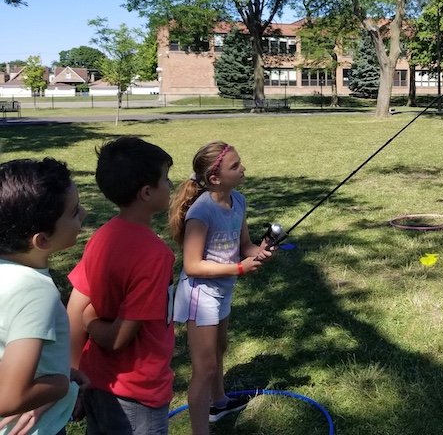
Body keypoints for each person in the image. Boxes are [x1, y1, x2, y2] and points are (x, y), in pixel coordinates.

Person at [66, 137, 175, 435]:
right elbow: (116, 338)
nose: (170, 185)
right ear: (146, 192)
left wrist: (73, 376)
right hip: (136, 394)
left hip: (94, 381)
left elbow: (75, 305)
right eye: (165, 179)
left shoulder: (102, 237)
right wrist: (90, 321)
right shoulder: (155, 255)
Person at [168, 141, 273, 435]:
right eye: (235, 166)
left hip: (223, 287)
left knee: (220, 348)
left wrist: (259, 251)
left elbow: (244, 246)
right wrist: (239, 268)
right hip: (200, 293)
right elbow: (192, 265)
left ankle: (219, 402)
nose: (243, 168)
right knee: (205, 369)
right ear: (215, 178)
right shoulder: (201, 212)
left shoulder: (238, 200)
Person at [0, 158, 89, 435]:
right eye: (74, 212)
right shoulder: (36, 292)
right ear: (42, 241)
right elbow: (10, 397)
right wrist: (61, 383)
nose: (84, 214)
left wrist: (60, 367)